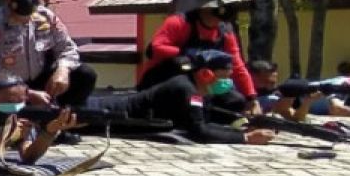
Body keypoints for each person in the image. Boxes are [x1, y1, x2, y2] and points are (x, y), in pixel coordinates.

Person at [91, 50, 275, 145]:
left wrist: (242, 128)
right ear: (206, 74)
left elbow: (205, 120)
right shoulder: (187, 90)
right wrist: (245, 139)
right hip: (105, 111)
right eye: (224, 76)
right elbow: (199, 131)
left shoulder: (196, 88)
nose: (228, 82)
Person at [0, 0, 97, 108]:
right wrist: (27, 93)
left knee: (85, 74)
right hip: (7, 86)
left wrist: (63, 70)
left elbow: (67, 48)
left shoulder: (47, 18)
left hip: (40, 80)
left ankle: (63, 120)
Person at [140, 0, 256, 113]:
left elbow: (236, 64)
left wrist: (251, 97)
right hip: (166, 81)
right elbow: (156, 47)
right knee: (180, 64)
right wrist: (190, 54)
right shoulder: (179, 22)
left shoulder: (225, 31)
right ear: (205, 8)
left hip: (204, 85)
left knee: (236, 102)